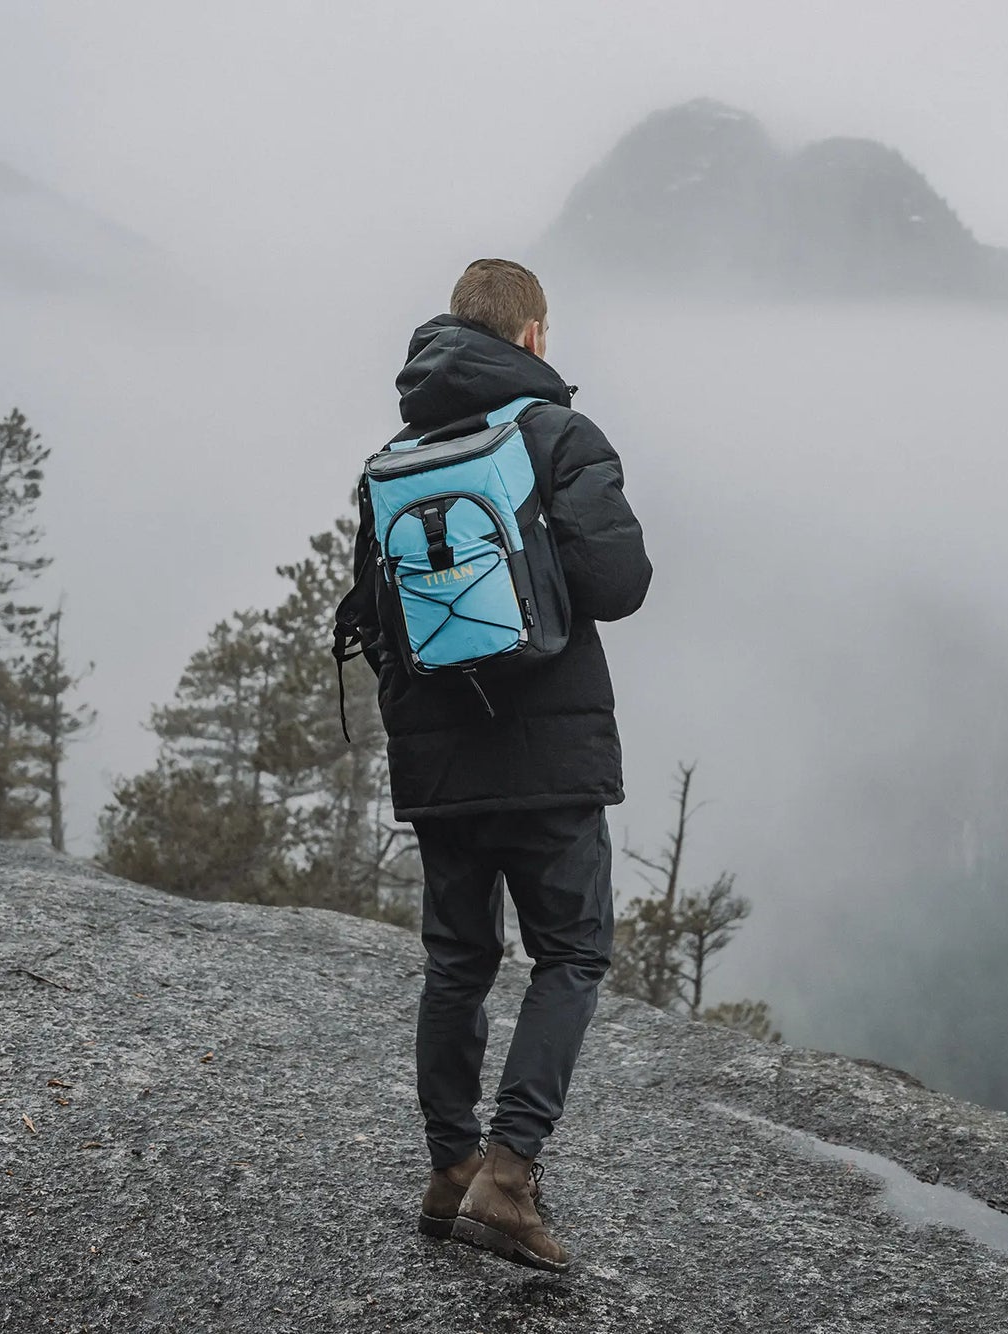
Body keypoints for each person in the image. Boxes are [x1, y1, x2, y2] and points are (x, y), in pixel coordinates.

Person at [342, 258, 652, 1272]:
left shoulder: (394, 458)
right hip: (550, 753)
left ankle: (449, 1165)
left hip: (441, 763)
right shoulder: (559, 434)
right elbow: (619, 582)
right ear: (531, 336)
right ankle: (509, 1175)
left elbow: (373, 617)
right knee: (571, 954)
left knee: (458, 960)